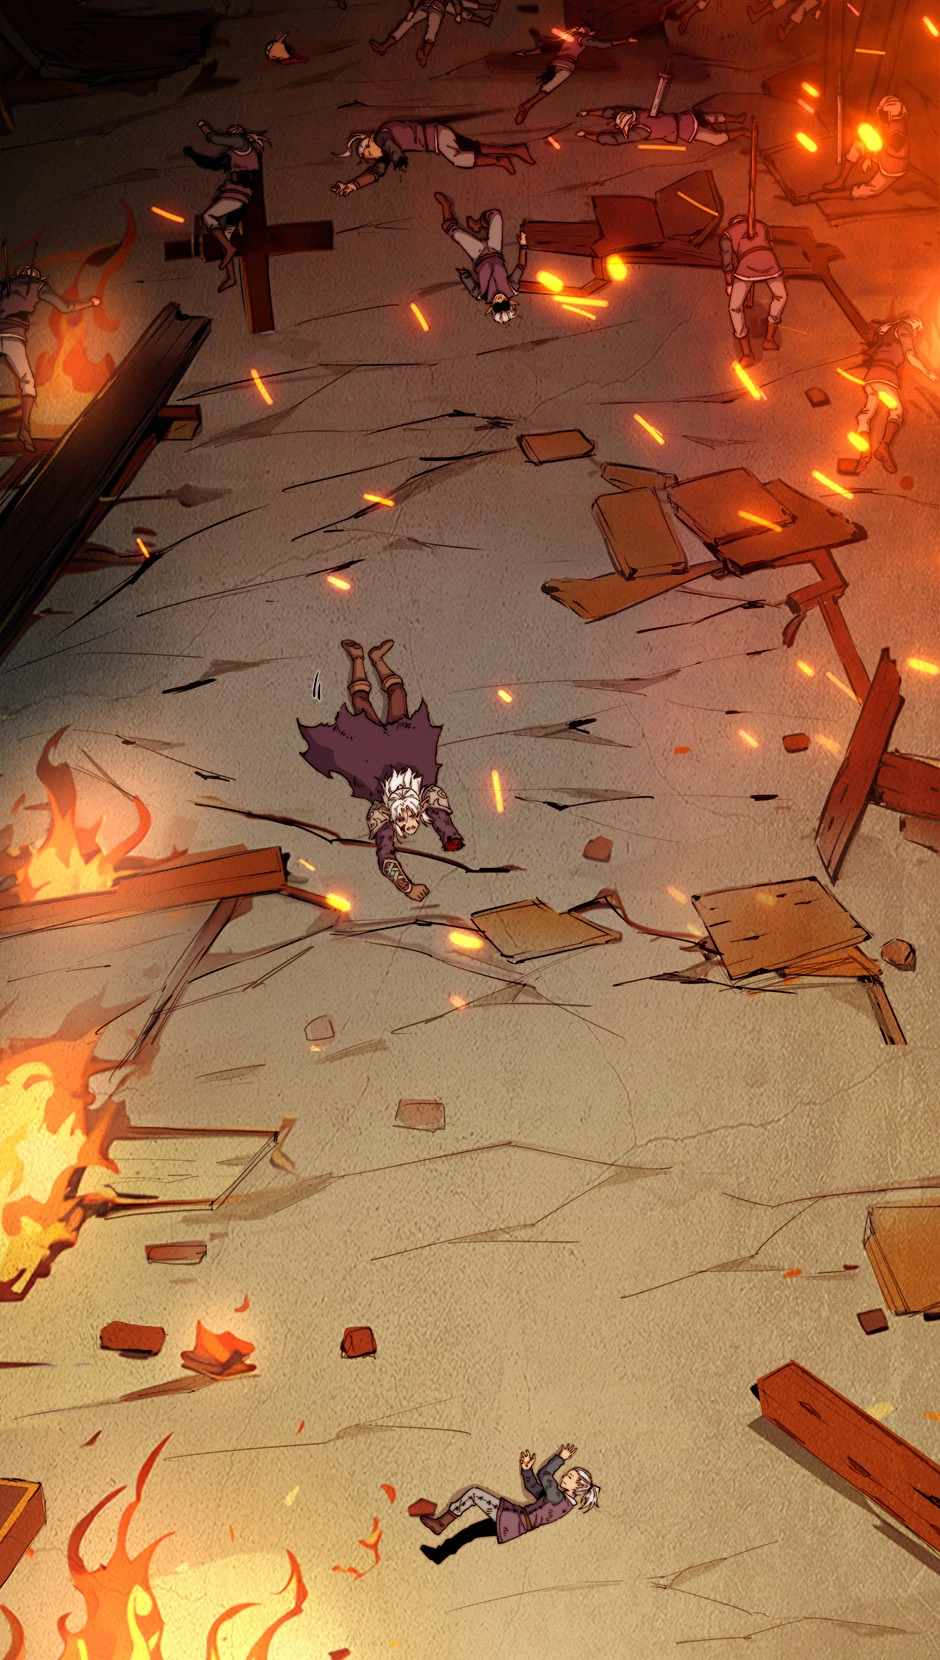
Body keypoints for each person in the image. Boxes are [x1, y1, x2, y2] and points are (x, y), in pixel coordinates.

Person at [297, 641, 464, 902]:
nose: (406, 815)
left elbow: (386, 857)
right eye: (411, 818)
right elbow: (442, 821)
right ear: (420, 813)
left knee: (361, 704)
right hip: (406, 746)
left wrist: (407, 887)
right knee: (398, 695)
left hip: (370, 757)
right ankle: (377, 659)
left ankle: (357, 658)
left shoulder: (381, 814)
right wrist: (450, 837)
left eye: (402, 821)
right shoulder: (426, 797)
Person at [411, 1443, 600, 1563]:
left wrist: (560, 1458)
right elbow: (535, 1489)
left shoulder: (558, 1498)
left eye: (570, 1477)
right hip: (514, 1522)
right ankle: (440, 1554)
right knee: (471, 1532)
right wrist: (526, 1470)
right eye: (567, 1474)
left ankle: (441, 1523)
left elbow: (544, 1474)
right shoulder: (559, 1501)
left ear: (577, 1488)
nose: (564, 1476)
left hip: (513, 1519)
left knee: (475, 1494)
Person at [0, 263, 101, 451]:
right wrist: (90, 302)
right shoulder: (37, 285)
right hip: (12, 337)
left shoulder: (6, 285)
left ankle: (24, 429)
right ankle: (24, 429)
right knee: (27, 382)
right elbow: (66, 307)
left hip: (9, 335)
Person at [332, 123, 533, 196]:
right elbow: (376, 172)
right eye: (366, 156)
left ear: (370, 139)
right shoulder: (385, 150)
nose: (369, 154)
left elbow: (392, 147)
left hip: (437, 137)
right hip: (438, 135)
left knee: (458, 159)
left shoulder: (382, 135)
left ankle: (499, 161)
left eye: (367, 149)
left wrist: (400, 160)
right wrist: (352, 186)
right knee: (476, 147)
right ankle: (515, 150)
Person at [184, 120, 269, 291]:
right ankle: (231, 276)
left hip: (237, 195)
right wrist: (193, 155)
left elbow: (214, 138)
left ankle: (229, 249)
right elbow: (211, 164)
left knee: (208, 217)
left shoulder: (242, 143)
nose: (231, 137)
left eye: (233, 133)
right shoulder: (232, 155)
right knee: (224, 235)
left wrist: (203, 127)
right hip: (235, 196)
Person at [853, 316, 938, 473]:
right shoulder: (905, 328)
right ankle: (883, 447)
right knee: (896, 411)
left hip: (872, 377)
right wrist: (928, 373)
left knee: (866, 415)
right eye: (917, 330)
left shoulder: (886, 334)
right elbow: (910, 356)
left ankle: (865, 455)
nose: (916, 333)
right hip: (886, 375)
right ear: (914, 324)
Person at [434, 192, 527, 323]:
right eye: (504, 304)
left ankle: (446, 206)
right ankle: (478, 224)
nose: (499, 301)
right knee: (495, 215)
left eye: (497, 306)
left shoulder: (482, 295)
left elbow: (471, 286)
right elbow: (521, 266)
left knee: (451, 230)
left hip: (477, 254)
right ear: (510, 303)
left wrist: (464, 275)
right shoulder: (512, 288)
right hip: (495, 249)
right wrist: (523, 244)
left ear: (492, 308)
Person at [514, 25, 630, 126]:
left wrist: (526, 53)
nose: (580, 29)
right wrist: (624, 41)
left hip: (556, 64)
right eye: (581, 28)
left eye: (583, 28)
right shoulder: (579, 38)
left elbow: (546, 49)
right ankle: (527, 106)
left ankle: (527, 105)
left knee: (547, 87)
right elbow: (603, 45)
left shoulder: (571, 38)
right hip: (565, 66)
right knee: (549, 87)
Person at [719, 213, 787, 367]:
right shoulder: (762, 225)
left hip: (746, 268)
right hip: (770, 263)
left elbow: (727, 261)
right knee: (780, 296)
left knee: (735, 308)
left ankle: (747, 354)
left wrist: (729, 283)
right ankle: (769, 339)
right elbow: (771, 246)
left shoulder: (727, 234)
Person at [822, 96, 909, 198]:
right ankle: (841, 181)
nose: (880, 115)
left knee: (868, 191)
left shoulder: (897, 133)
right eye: (880, 112)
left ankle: (833, 197)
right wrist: (869, 156)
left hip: (892, 167)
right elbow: (876, 142)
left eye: (884, 114)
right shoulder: (884, 123)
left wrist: (870, 154)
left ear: (893, 116)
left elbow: (885, 145)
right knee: (858, 145)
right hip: (882, 153)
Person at [370, 0, 497, 69]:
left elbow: (458, 4)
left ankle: (424, 55)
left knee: (432, 31)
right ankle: (384, 47)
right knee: (407, 23)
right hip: (426, 6)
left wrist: (458, 14)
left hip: (437, 8)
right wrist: (412, 10)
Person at [576, 104, 746, 147]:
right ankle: (738, 120)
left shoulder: (641, 131)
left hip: (685, 130)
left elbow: (613, 140)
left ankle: (743, 131)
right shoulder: (640, 113)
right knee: (713, 118)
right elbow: (611, 112)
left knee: (717, 139)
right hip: (684, 117)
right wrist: (588, 113)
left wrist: (587, 135)